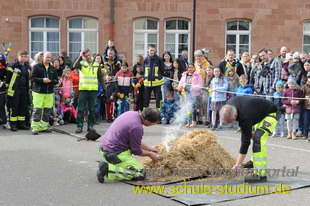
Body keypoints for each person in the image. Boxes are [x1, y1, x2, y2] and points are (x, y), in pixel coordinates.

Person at [220, 96, 280, 182]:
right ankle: (253, 162)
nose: (231, 123)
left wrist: (237, 165)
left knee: (258, 140)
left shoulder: (244, 116)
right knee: (254, 138)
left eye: (232, 121)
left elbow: (245, 143)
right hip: (258, 113)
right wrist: (248, 134)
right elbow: (247, 134)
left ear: (236, 115)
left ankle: (260, 174)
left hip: (271, 113)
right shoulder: (229, 105)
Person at [97, 108, 161, 183]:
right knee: (140, 173)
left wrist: (149, 148)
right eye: (153, 123)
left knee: (131, 165)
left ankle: (115, 165)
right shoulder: (137, 127)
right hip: (114, 154)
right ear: (147, 120)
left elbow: (134, 139)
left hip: (104, 148)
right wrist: (150, 154)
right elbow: (136, 151)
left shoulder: (131, 113)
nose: (152, 125)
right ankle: (108, 169)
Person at [73, 48, 105, 133]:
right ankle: (79, 126)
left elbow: (100, 77)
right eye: (85, 56)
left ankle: (90, 126)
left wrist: (104, 87)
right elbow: (74, 66)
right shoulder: (81, 63)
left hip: (93, 90)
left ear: (91, 54)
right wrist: (80, 57)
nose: (87, 57)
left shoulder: (96, 64)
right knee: (81, 108)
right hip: (83, 89)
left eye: (88, 55)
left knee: (92, 109)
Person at [30, 52, 59, 135]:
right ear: (43, 57)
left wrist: (52, 82)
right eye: (47, 57)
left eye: (50, 57)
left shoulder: (53, 69)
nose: (48, 59)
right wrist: (42, 80)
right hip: (38, 92)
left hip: (49, 92)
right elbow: (32, 78)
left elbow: (56, 80)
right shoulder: (36, 67)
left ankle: (43, 127)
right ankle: (35, 128)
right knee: (37, 110)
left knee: (47, 110)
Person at [5, 50, 31, 131]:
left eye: (24, 56)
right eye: (21, 56)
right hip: (14, 90)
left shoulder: (27, 67)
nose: (23, 58)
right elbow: (7, 79)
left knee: (23, 106)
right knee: (14, 107)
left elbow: (28, 78)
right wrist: (9, 89)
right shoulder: (13, 66)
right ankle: (13, 124)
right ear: (18, 57)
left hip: (24, 89)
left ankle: (21, 123)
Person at [177, 63, 203, 128]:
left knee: (193, 108)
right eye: (189, 67)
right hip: (185, 94)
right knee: (187, 108)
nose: (190, 69)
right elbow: (181, 83)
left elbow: (200, 85)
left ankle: (194, 122)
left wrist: (193, 88)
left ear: (194, 68)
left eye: (192, 67)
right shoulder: (184, 75)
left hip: (194, 94)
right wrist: (180, 87)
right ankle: (188, 122)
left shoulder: (198, 75)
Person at [143, 44, 165, 110]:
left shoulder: (159, 59)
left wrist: (159, 77)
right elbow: (143, 70)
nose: (152, 52)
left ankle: (160, 113)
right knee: (146, 99)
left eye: (153, 50)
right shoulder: (145, 59)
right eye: (150, 50)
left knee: (158, 99)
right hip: (147, 83)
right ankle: (145, 113)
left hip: (157, 83)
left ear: (155, 50)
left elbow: (162, 69)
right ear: (148, 50)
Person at [301, 73, 310, 140]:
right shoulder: (304, 86)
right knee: (306, 121)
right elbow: (301, 96)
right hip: (306, 107)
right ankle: (305, 134)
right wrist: (305, 97)